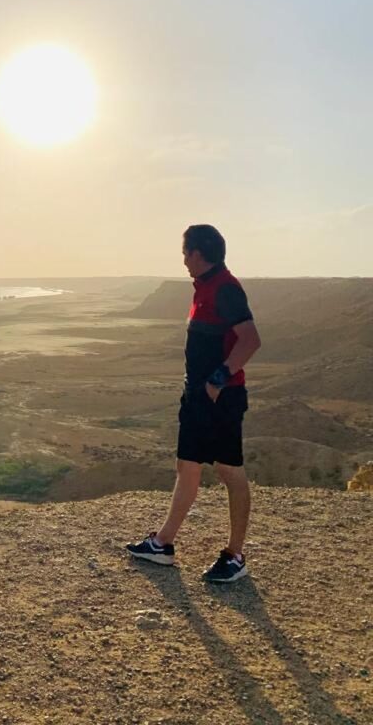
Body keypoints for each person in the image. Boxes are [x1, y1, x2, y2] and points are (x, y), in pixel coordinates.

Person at [126, 224, 262, 582]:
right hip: (198, 397)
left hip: (222, 398)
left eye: (186, 252)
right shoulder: (204, 288)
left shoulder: (226, 288)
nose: (183, 259)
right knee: (187, 466)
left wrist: (218, 381)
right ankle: (163, 544)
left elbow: (250, 340)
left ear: (199, 253)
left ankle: (235, 556)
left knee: (229, 471)